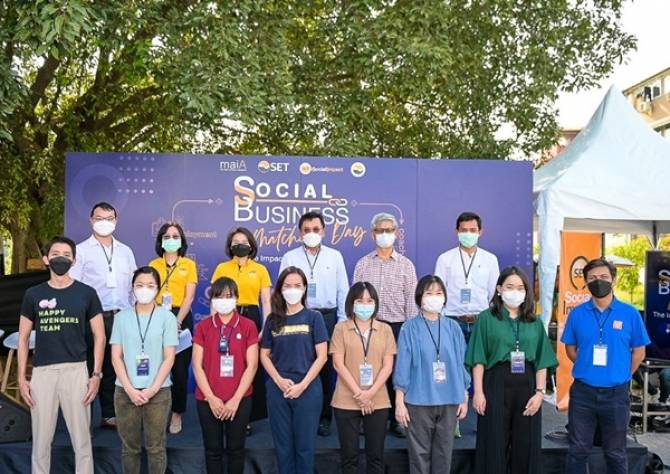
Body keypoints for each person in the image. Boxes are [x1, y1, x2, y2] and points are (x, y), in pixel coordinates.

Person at [18, 236, 105, 474]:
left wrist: (96, 375)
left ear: (74, 261)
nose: (61, 259)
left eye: (67, 255)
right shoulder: (33, 294)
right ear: (46, 259)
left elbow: (100, 336)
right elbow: (23, 339)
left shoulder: (87, 293)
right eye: (56, 254)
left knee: (82, 441)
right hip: (42, 373)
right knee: (41, 441)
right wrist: (22, 378)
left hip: (76, 371)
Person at [466, 266, 558, 474]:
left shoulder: (534, 322)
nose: (515, 292)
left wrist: (540, 393)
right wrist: (478, 392)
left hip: (527, 385)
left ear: (526, 292)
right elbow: (478, 358)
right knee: (493, 441)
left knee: (525, 443)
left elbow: (542, 360)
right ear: (499, 289)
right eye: (509, 287)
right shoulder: (486, 318)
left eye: (520, 288)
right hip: (495, 382)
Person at [562, 258, 650, 474]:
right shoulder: (577, 314)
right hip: (583, 393)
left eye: (603, 277)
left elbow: (639, 352)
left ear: (614, 279)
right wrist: (587, 367)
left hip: (616, 395)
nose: (598, 281)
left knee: (615, 452)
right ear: (585, 282)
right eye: (592, 278)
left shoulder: (630, 314)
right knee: (578, 450)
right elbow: (570, 349)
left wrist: (622, 374)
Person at [279, 211, 349, 436]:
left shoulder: (335, 256)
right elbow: (282, 290)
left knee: (325, 369)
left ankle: (324, 417)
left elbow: (343, 290)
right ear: (300, 233)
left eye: (316, 229)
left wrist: (341, 322)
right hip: (299, 316)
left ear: (324, 232)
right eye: (306, 230)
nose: (311, 233)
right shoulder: (290, 257)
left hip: (327, 317)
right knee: (300, 365)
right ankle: (299, 412)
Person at [70, 201, 137, 428]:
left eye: (109, 219)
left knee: (114, 368)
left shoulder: (125, 251)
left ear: (116, 221)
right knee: (89, 368)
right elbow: (74, 287)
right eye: (99, 218)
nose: (104, 223)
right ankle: (83, 420)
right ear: (91, 220)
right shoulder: (80, 251)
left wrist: (134, 315)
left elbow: (134, 286)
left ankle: (109, 415)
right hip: (93, 319)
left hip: (121, 317)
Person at [393, 275, 470, 474]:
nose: (434, 297)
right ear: (420, 297)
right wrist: (399, 401)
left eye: (439, 293)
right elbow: (402, 366)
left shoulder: (453, 328)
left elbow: (461, 364)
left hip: (449, 400)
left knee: (444, 455)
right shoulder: (409, 328)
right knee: (419, 457)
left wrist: (464, 395)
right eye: (429, 293)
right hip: (418, 401)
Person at [353, 212, 417, 438]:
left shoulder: (406, 265)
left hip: (398, 326)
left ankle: (396, 419)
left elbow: (412, 300)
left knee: (397, 373)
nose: (384, 234)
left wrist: (409, 331)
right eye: (380, 230)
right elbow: (355, 298)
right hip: (370, 325)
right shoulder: (363, 264)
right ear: (373, 234)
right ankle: (367, 414)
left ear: (396, 233)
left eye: (389, 230)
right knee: (369, 372)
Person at [260, 266, 328, 474]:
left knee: (305, 447)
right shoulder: (272, 320)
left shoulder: (314, 317)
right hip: (278, 388)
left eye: (297, 285)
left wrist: (302, 385)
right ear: (280, 290)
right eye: (287, 286)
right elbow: (264, 355)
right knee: (283, 447)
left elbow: (322, 356)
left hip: (308, 388)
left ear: (305, 288)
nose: (292, 290)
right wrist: (278, 381)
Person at [110, 266, 178, 474]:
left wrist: (152, 389)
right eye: (139, 285)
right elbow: (116, 356)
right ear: (132, 288)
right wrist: (130, 389)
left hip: (158, 392)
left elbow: (169, 357)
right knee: (129, 448)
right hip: (125, 392)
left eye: (150, 285)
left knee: (156, 448)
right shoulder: (121, 318)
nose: (144, 289)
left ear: (157, 289)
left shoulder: (167, 318)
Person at [193, 277, 259, 474]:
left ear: (237, 298)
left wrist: (235, 399)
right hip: (207, 400)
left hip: (240, 399)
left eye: (228, 296)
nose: (224, 300)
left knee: (236, 450)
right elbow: (197, 365)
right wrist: (211, 398)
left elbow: (252, 365)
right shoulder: (203, 326)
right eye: (219, 296)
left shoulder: (248, 326)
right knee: (212, 450)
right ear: (212, 300)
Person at [331, 281, 397, 474]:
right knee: (349, 458)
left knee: (376, 457)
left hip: (378, 400)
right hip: (346, 400)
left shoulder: (385, 329)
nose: (365, 304)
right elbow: (338, 364)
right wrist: (360, 394)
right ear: (351, 303)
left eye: (370, 300)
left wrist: (370, 394)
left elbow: (388, 366)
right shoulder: (341, 328)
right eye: (360, 300)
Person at [210, 227, 271, 427]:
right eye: (236, 242)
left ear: (251, 245)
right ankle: (225, 407)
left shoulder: (260, 269)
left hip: (251, 317)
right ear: (230, 246)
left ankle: (249, 416)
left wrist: (265, 327)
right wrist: (214, 324)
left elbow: (266, 301)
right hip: (227, 315)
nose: (240, 245)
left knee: (251, 364)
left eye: (244, 242)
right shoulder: (222, 268)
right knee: (230, 362)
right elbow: (215, 298)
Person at [149, 222, 198, 434]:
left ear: (182, 240)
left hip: (181, 318)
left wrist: (177, 321)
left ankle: (177, 413)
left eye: (175, 236)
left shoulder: (189, 264)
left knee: (179, 370)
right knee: (157, 367)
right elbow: (149, 293)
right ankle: (156, 412)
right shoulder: (153, 264)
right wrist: (160, 319)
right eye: (167, 236)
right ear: (161, 240)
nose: (171, 239)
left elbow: (190, 297)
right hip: (157, 316)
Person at [434, 211, 499, 342]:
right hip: (452, 320)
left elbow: (493, 293)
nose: (468, 234)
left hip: (481, 321)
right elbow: (438, 291)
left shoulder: (490, 259)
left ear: (480, 232)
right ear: (457, 232)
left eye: (472, 230)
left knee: (479, 355)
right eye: (464, 230)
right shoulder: (445, 259)